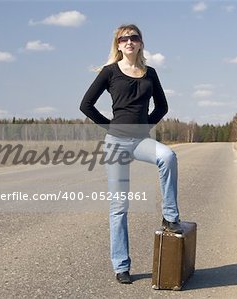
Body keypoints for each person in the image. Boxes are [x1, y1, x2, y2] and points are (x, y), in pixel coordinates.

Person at [79, 24, 182, 284]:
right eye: (123, 38)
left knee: (167, 156)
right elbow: (86, 105)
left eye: (133, 38)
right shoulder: (110, 72)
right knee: (119, 207)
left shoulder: (150, 73)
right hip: (116, 143)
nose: (129, 42)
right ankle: (121, 265)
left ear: (140, 43)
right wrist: (110, 126)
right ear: (118, 44)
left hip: (140, 140)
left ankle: (170, 216)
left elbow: (163, 106)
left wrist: (146, 125)